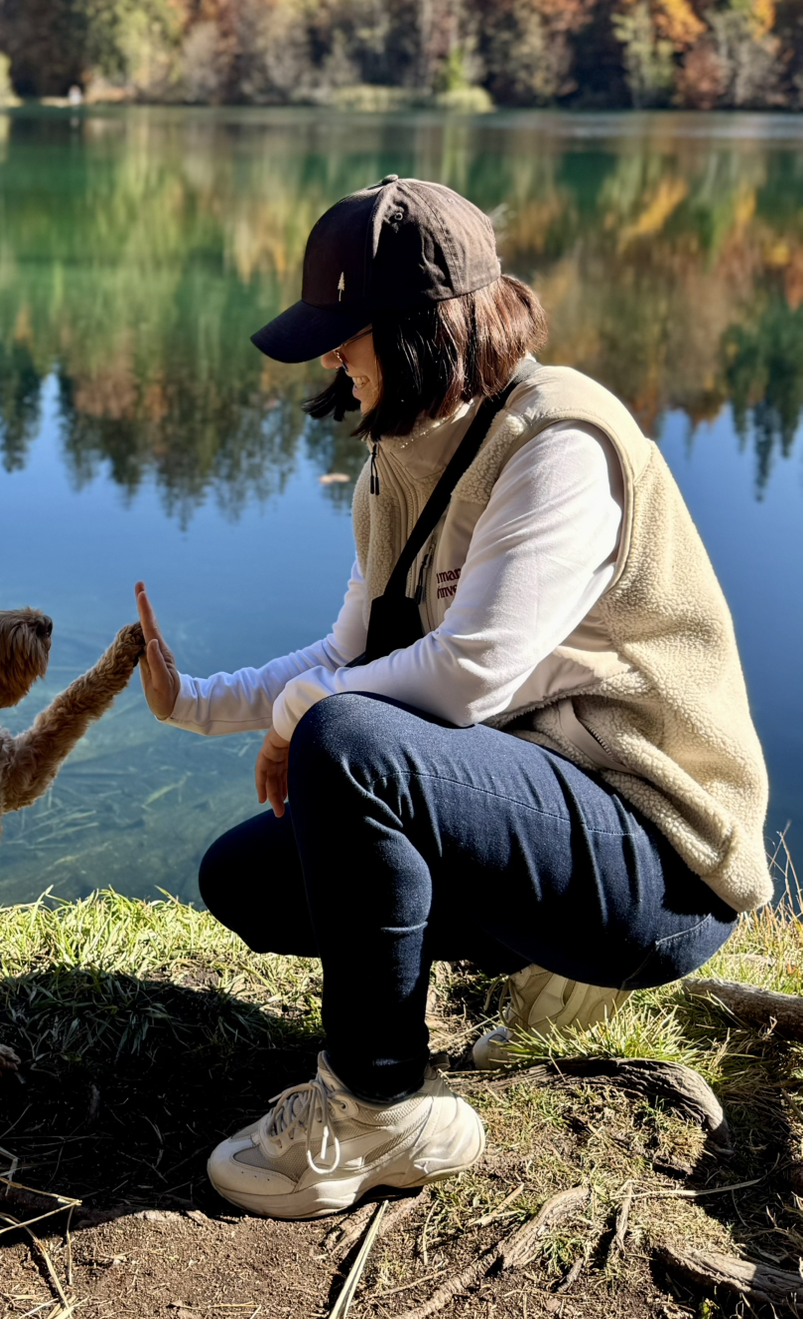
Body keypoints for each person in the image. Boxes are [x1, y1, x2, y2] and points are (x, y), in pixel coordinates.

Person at [133, 176, 771, 1222]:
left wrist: (304, 721)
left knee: (346, 740)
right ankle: (404, 1025)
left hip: (658, 865)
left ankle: (380, 1104)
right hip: (536, 815)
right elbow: (352, 649)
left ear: (424, 328)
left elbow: (471, 669)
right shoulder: (402, 456)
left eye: (347, 334)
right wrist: (196, 700)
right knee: (248, 877)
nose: (332, 358)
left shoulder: (559, 445)